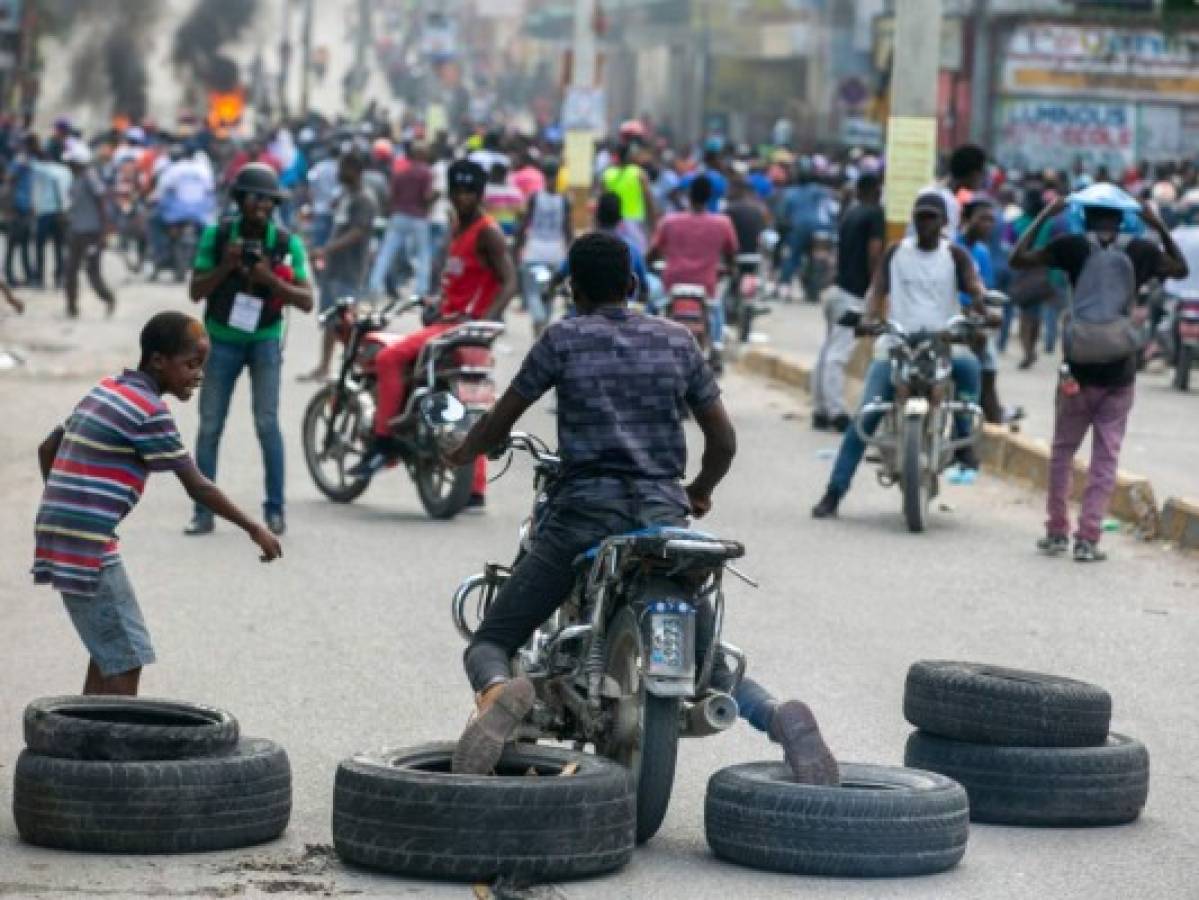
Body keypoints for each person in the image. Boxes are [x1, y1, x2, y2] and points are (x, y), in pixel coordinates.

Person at [443, 232, 838, 785]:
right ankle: (779, 717)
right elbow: (722, 441)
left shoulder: (563, 339)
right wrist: (698, 491)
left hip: (585, 510)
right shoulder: (677, 340)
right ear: (632, 285)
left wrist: (464, 450)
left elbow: (501, 421)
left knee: (491, 638)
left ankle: (499, 693)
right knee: (711, 664)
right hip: (662, 518)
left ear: (572, 290)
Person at [33, 312, 282, 696]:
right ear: (157, 361)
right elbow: (198, 486)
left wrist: (65, 503)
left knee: (109, 652)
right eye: (191, 365)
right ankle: (112, 752)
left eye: (202, 365)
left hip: (63, 533)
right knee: (127, 657)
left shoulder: (109, 387)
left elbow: (48, 447)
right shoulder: (150, 411)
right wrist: (254, 528)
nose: (198, 375)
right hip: (88, 543)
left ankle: (81, 746)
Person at [1011, 195, 1187, 562]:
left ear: (1083, 217)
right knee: (1105, 459)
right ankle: (1089, 539)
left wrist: (1045, 214)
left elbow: (1019, 258)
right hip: (1119, 370)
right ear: (1122, 220)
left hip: (1076, 368)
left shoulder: (1071, 246)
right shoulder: (1140, 250)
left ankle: (1056, 532)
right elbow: (1181, 269)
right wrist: (1158, 227)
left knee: (1062, 453)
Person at [350, 159, 517, 509]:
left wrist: (484, 321)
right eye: (458, 191)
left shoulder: (487, 231)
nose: (463, 197)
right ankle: (474, 489)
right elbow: (460, 281)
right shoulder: (459, 228)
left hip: (459, 329)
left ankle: (383, 442)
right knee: (471, 404)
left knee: (388, 356)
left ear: (480, 193)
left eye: (470, 192)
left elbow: (509, 280)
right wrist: (435, 301)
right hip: (455, 325)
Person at [812, 192, 986, 519]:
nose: (925, 223)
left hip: (942, 343)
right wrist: (867, 319)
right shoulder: (895, 253)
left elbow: (975, 288)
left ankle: (965, 443)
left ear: (944, 222)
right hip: (897, 343)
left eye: (932, 217)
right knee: (866, 414)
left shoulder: (956, 255)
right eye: (920, 216)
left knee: (969, 368)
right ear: (913, 219)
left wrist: (983, 311)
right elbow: (878, 290)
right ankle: (834, 492)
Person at [186, 163, 314, 538]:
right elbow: (196, 291)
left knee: (267, 424)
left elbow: (306, 301)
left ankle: (275, 511)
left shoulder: (287, 243)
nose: (262, 206)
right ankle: (203, 511)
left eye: (269, 201)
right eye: (255, 198)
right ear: (240, 200)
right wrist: (227, 264)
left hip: (264, 340)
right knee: (210, 426)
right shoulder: (218, 235)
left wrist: (268, 279)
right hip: (221, 339)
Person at [813, 172, 884, 432]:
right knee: (838, 353)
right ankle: (835, 411)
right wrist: (877, 289)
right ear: (877, 190)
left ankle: (820, 408)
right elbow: (874, 253)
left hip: (838, 289)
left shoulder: (850, 213)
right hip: (854, 293)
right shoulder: (875, 214)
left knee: (827, 350)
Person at [301, 152, 377, 382]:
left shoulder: (365, 199)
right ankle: (324, 367)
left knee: (348, 325)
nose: (339, 173)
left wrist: (327, 249)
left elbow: (358, 232)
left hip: (350, 270)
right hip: (334, 269)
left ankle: (353, 369)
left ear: (355, 170)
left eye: (344, 168)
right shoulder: (347, 195)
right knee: (331, 321)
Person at [649, 175, 737, 364]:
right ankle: (716, 345)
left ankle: (650, 344)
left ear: (688, 196)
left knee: (653, 307)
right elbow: (731, 255)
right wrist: (729, 269)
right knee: (716, 309)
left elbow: (653, 252)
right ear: (710, 197)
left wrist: (651, 264)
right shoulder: (722, 223)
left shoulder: (669, 222)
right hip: (706, 285)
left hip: (672, 283)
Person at [958, 198, 1022, 425]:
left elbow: (984, 290)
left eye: (991, 221)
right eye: (982, 219)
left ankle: (989, 409)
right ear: (967, 219)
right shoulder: (952, 246)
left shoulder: (982, 252)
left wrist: (988, 314)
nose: (988, 225)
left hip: (972, 316)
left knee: (988, 358)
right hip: (951, 314)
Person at [368, 142, 434, 299]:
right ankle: (421, 290)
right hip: (418, 217)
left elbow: (392, 196)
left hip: (399, 215)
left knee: (386, 252)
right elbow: (426, 197)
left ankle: (374, 285)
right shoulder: (426, 173)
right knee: (423, 254)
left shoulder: (401, 172)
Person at [514, 158, 572, 336]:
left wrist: (518, 245)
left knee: (532, 291)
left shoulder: (535, 197)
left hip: (535, 252)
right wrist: (571, 252)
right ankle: (543, 322)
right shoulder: (564, 201)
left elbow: (525, 224)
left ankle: (539, 319)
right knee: (550, 292)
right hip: (555, 254)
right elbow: (567, 230)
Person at [63, 143, 117, 319]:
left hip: (91, 233)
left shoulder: (89, 176)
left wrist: (104, 231)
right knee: (70, 270)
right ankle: (71, 306)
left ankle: (108, 298)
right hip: (76, 230)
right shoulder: (75, 178)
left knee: (92, 271)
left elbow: (102, 200)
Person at [601, 142, 657, 252]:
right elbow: (649, 202)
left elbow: (603, 202)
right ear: (630, 156)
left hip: (614, 224)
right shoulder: (639, 174)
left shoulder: (607, 174)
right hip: (635, 224)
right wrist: (654, 225)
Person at [31, 145, 71, 290]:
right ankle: (59, 277)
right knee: (59, 247)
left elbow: (30, 164)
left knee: (40, 247)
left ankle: (39, 278)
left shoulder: (42, 169)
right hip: (61, 213)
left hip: (45, 213)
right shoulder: (66, 171)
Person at [6, 133, 37, 286]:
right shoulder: (20, 160)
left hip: (26, 207)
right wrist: (9, 207)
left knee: (25, 243)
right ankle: (10, 275)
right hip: (18, 207)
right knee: (13, 243)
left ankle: (29, 275)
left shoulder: (30, 160)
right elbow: (9, 181)